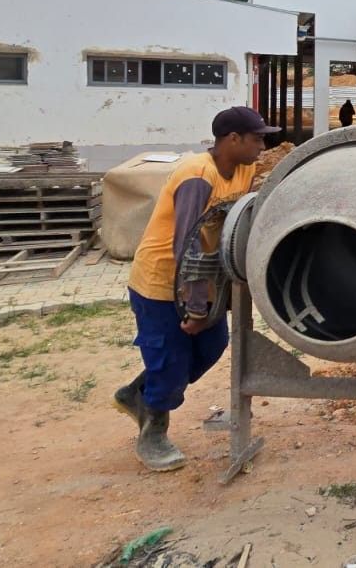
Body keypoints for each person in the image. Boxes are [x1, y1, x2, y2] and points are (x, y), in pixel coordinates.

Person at [113, 106, 276, 471]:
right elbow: (184, 244)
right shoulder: (196, 176)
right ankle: (152, 433)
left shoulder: (244, 168)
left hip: (202, 276)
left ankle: (138, 394)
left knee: (211, 344)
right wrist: (196, 306)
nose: (263, 146)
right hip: (162, 281)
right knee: (171, 359)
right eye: (257, 138)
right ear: (232, 139)